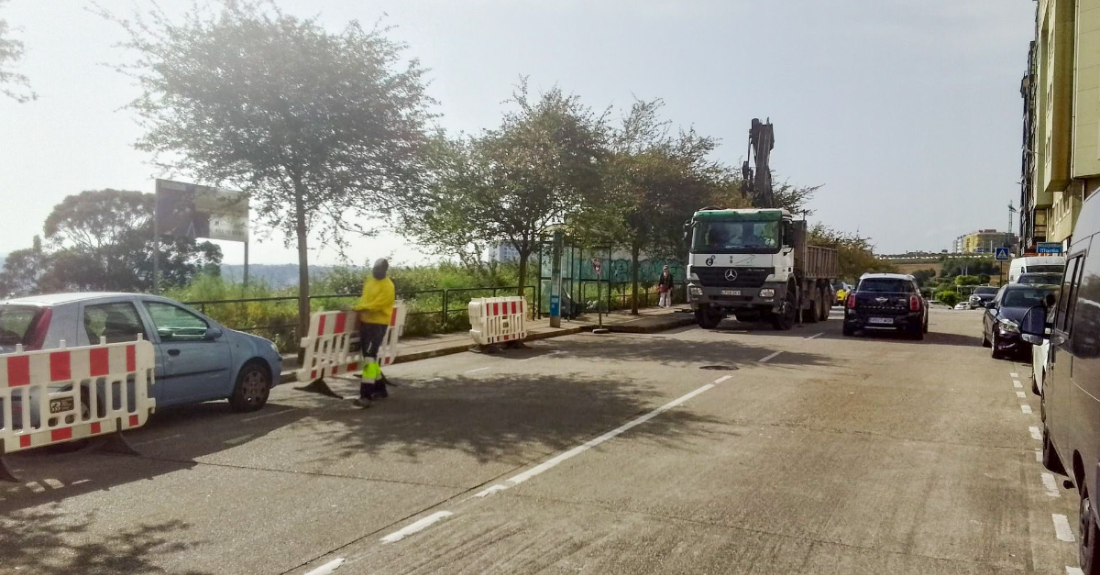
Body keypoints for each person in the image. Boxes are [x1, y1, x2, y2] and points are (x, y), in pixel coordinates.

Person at [353, 258, 396, 407]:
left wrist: (360, 308)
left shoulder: (388, 286)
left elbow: (378, 305)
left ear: (384, 270)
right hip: (366, 323)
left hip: (377, 324)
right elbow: (365, 298)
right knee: (369, 357)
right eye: (373, 269)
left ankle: (366, 395)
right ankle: (380, 389)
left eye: (377, 270)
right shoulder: (369, 280)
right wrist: (360, 310)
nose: (374, 272)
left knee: (369, 359)